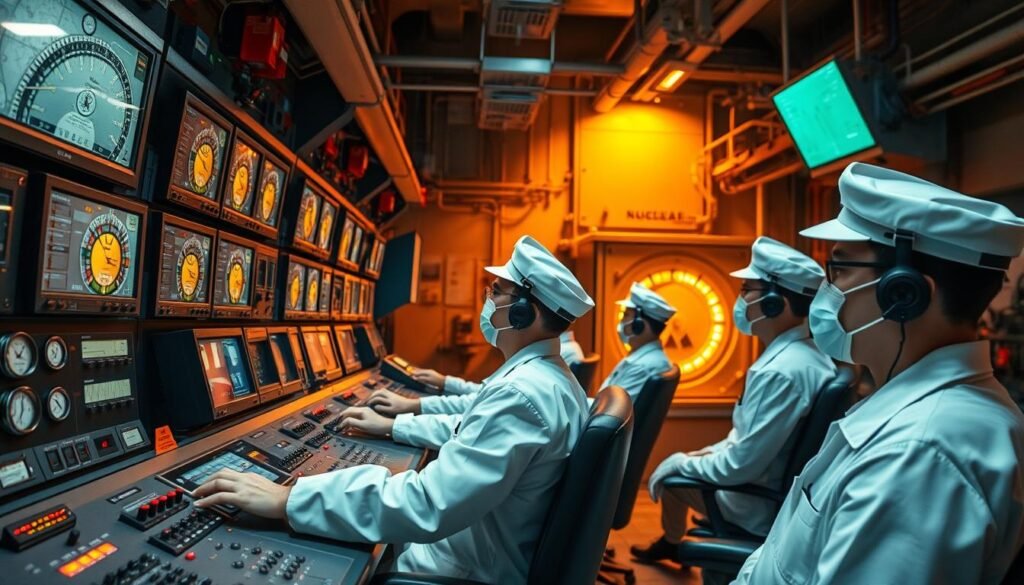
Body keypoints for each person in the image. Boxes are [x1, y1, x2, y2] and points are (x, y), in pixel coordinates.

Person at [192, 235, 595, 583]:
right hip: (482, 552)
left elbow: (427, 503)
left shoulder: (523, 395)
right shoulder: (550, 381)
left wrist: (289, 499)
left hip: (459, 570)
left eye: (497, 291)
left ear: (524, 312)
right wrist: (398, 426)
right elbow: (472, 423)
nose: (488, 300)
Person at [731, 162, 1024, 584]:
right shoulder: (909, 414)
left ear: (903, 293)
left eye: (841, 270)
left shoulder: (918, 456)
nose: (827, 293)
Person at [635, 236, 836, 563]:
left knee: (670, 476)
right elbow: (746, 443)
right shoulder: (803, 357)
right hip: (763, 490)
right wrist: (703, 454)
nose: (740, 300)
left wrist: (683, 463)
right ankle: (672, 542)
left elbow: (741, 464)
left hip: (750, 505)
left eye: (747, 291)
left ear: (774, 303)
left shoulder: (780, 372)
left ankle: (673, 542)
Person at [599, 282, 676, 403]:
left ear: (639, 325)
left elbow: (611, 410)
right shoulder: (642, 358)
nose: (621, 320)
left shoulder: (642, 366)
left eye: (626, 315)